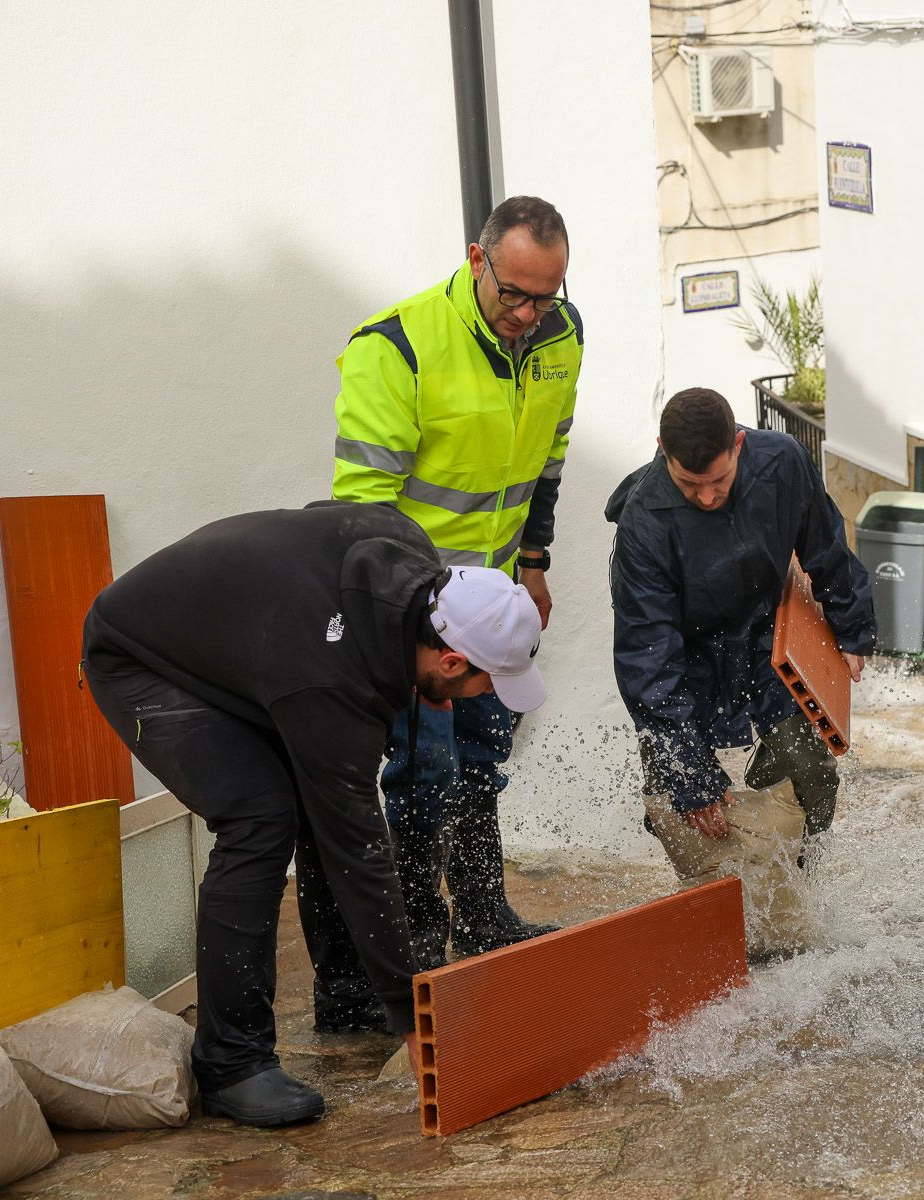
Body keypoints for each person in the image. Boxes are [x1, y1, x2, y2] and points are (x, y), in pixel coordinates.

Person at [80, 501, 547, 1127]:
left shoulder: (406, 556)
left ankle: (350, 997)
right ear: (451, 660)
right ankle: (231, 1063)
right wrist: (416, 1020)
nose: (486, 696)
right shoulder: (328, 683)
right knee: (261, 819)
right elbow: (355, 845)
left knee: (319, 799)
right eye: (486, 682)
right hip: (141, 658)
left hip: (253, 656)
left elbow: (317, 523)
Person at [321, 196, 580, 1028]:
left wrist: (532, 567)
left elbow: (550, 462)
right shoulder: (394, 349)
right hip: (415, 619)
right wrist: (421, 622)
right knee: (421, 781)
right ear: (476, 262)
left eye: (547, 296)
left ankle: (482, 915)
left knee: (481, 763)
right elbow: (363, 511)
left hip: (497, 604)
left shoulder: (560, 338)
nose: (530, 315)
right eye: (515, 295)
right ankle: (419, 949)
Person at [606, 387, 875, 844]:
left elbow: (825, 546)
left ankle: (796, 887)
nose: (707, 497)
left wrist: (852, 628)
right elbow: (648, 660)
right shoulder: (643, 525)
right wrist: (694, 779)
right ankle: (713, 897)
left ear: (738, 445)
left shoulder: (782, 462)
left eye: (719, 480)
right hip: (685, 654)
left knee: (812, 774)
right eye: (690, 485)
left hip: (765, 636)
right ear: (662, 451)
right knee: (676, 802)